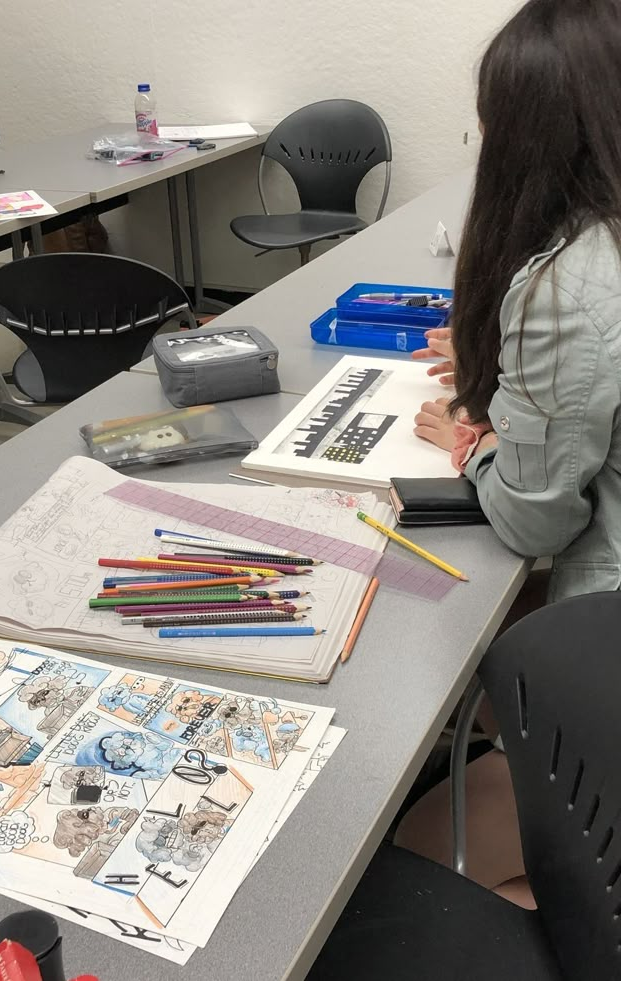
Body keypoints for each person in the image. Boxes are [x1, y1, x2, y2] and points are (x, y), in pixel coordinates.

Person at [399, 0, 621, 907]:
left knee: (401, 850)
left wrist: (471, 437)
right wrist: (511, 376)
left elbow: (536, 515)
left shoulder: (570, 279)